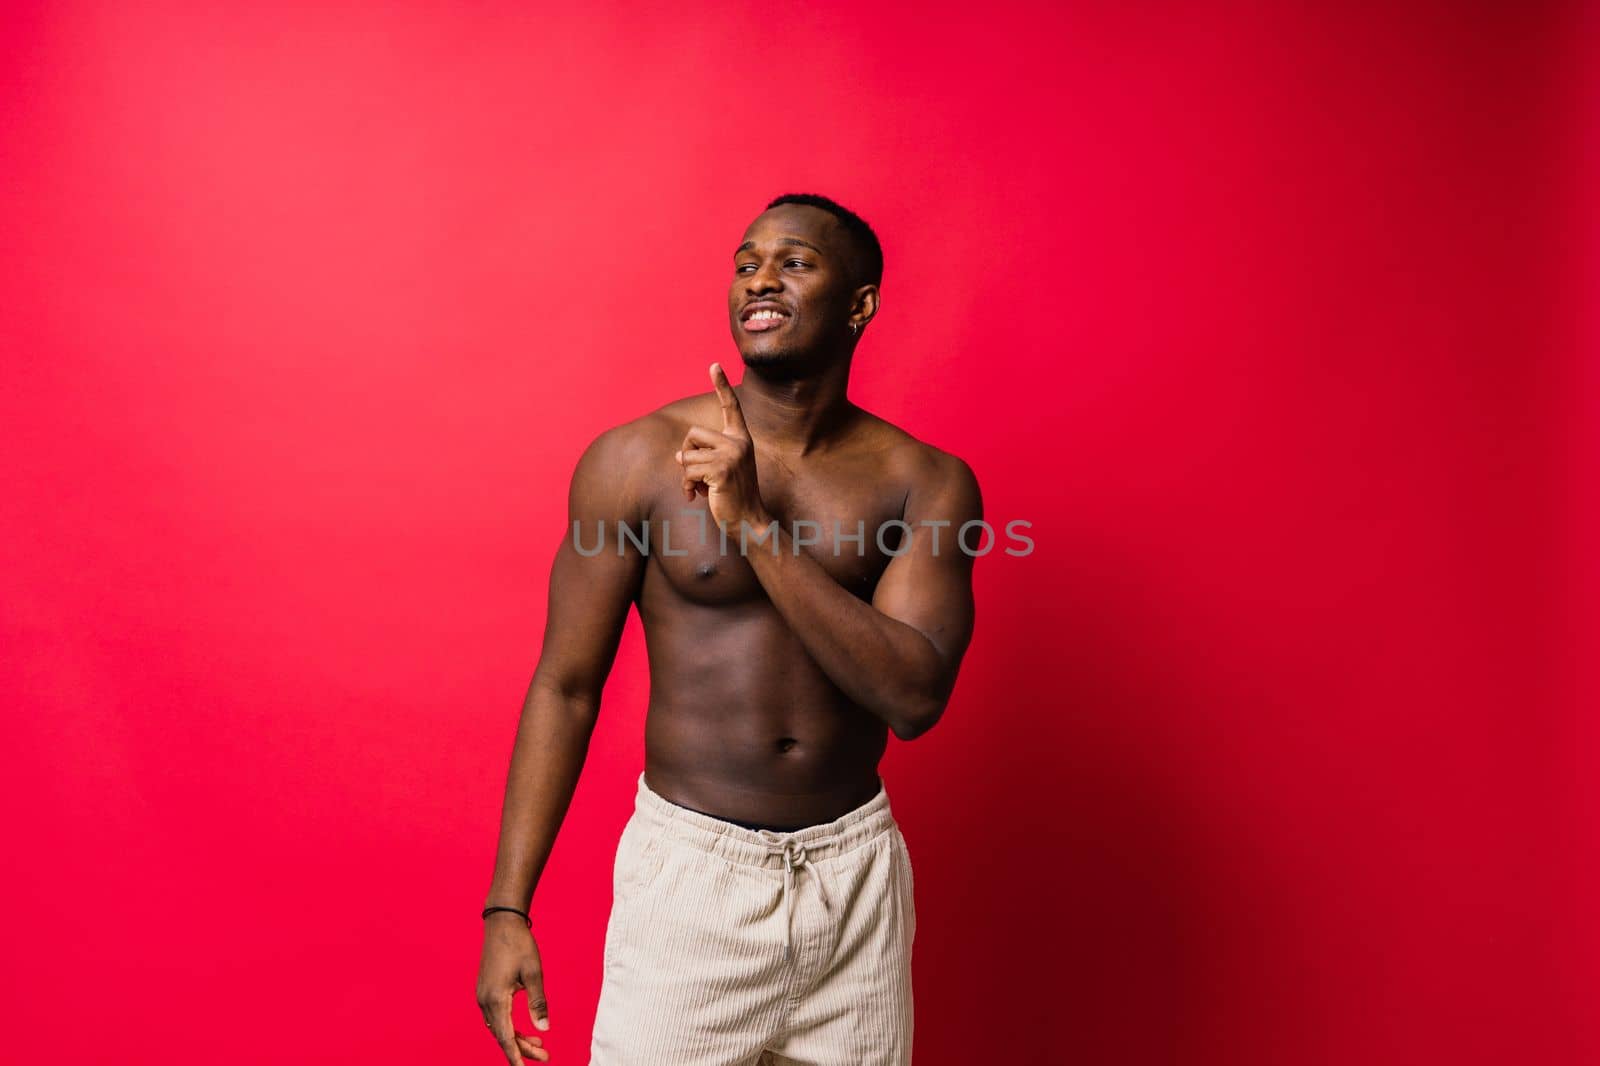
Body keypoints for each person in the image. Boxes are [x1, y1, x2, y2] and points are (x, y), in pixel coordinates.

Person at [476, 193, 981, 1065]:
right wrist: (507, 908)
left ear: (859, 304)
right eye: (747, 262)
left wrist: (752, 526)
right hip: (692, 881)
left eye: (795, 261)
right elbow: (565, 687)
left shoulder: (923, 483)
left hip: (852, 883)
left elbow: (913, 695)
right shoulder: (635, 460)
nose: (761, 278)